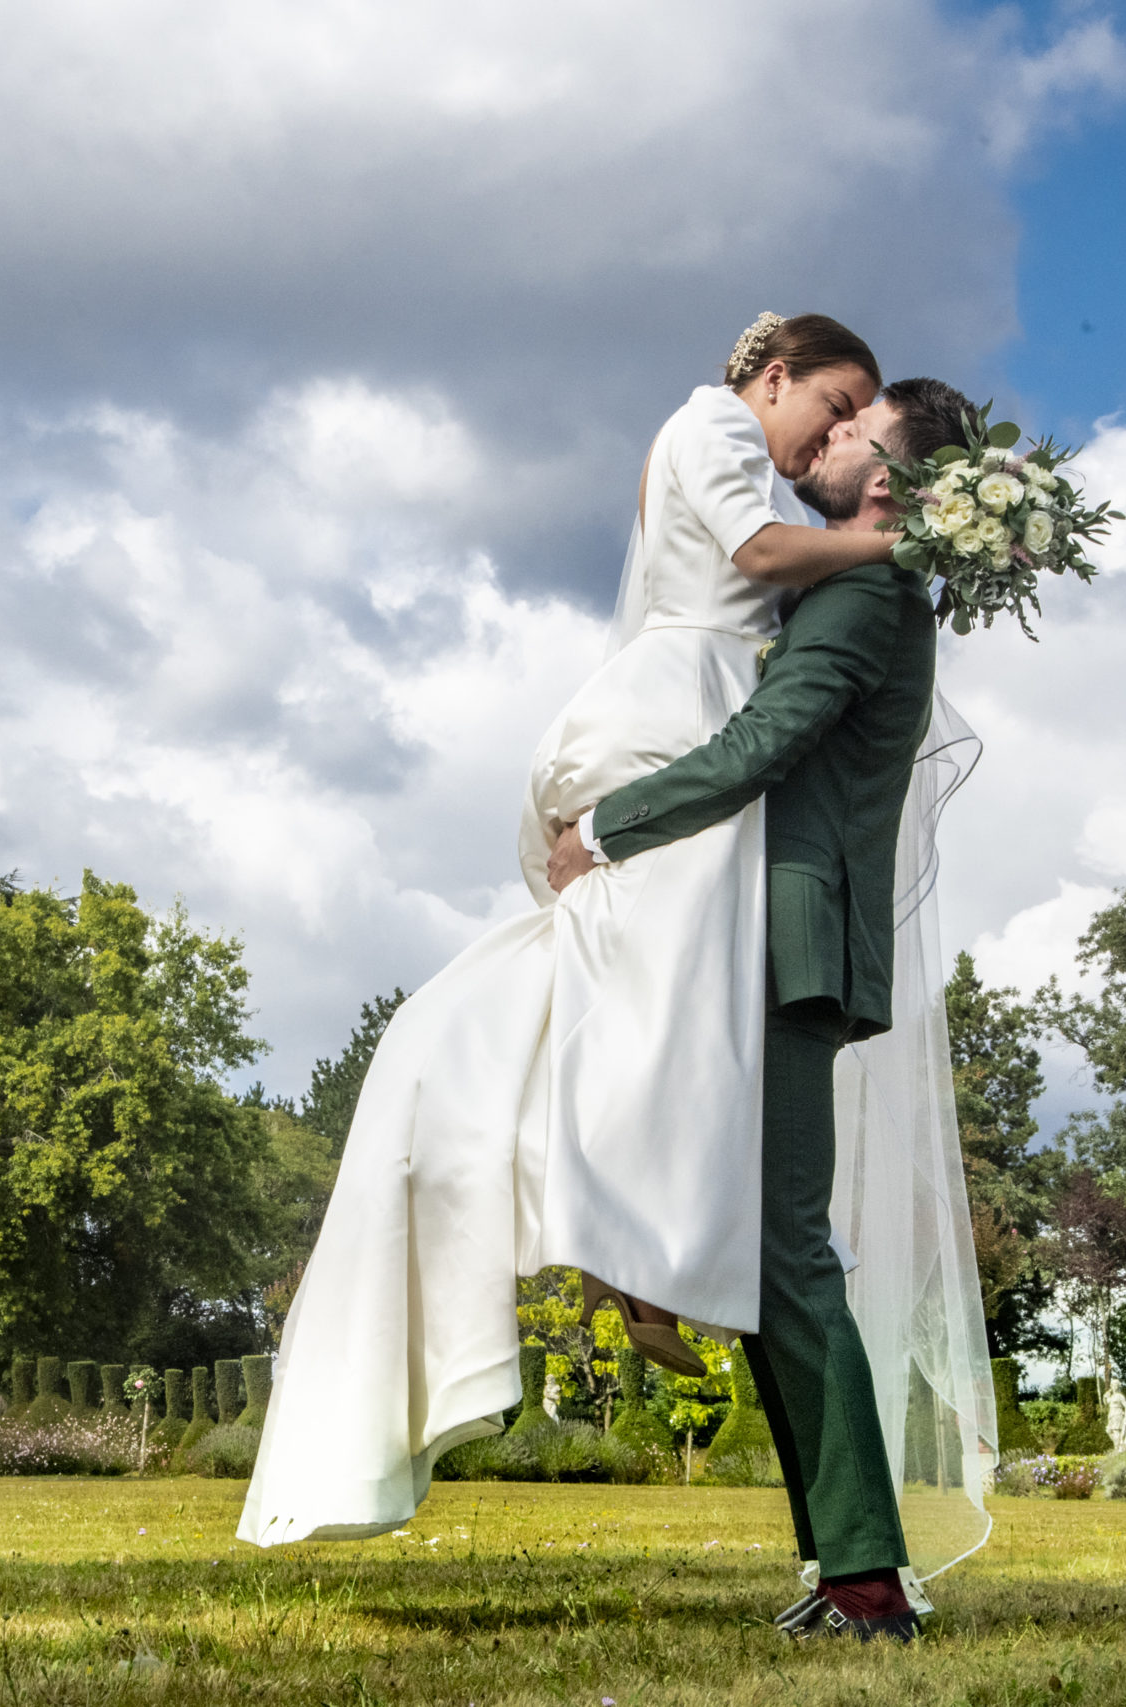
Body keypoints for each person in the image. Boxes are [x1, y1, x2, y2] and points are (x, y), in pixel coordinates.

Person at [237, 313, 893, 1550]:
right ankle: (619, 1236)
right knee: (645, 986)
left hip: (711, 697)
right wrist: (887, 541)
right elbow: (755, 553)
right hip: (683, 704)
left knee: (664, 1005)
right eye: (834, 398)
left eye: (863, 414)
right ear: (770, 375)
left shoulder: (746, 451)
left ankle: (626, 1239)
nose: (841, 427)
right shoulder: (709, 423)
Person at [547, 376, 978, 1643]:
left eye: (854, 431)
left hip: (790, 947)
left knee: (790, 1253)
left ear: (889, 481)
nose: (831, 440)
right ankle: (839, 1566)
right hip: (763, 939)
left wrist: (604, 830)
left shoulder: (866, 589)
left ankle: (864, 1584)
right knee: (770, 1248)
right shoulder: (846, 582)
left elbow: (764, 746)